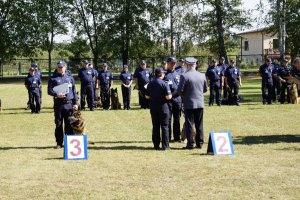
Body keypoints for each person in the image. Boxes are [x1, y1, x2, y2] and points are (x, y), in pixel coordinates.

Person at [174, 57, 207, 149]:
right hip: (200, 103)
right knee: (199, 124)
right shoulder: (202, 75)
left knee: (189, 124)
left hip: (189, 103)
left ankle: (190, 144)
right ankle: (200, 143)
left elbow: (179, 91)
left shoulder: (184, 76)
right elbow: (205, 89)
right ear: (195, 65)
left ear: (187, 65)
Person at [48, 61, 78, 149]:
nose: (60, 68)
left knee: (69, 124)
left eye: (62, 67)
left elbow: (74, 91)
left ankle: (69, 143)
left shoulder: (70, 78)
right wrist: (57, 95)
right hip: (58, 105)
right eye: (59, 67)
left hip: (69, 105)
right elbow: (49, 91)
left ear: (65, 67)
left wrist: (75, 103)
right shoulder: (53, 78)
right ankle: (59, 143)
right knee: (58, 124)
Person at [145, 68, 172, 150]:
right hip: (163, 107)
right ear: (161, 74)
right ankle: (165, 146)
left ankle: (156, 145)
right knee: (165, 126)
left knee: (155, 126)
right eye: (163, 73)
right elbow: (168, 96)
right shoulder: (164, 83)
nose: (164, 74)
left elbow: (147, 96)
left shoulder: (150, 83)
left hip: (153, 107)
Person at [164, 57, 182, 142]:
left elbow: (181, 87)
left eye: (174, 63)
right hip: (168, 101)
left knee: (177, 119)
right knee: (168, 119)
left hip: (177, 100)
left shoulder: (178, 74)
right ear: (168, 63)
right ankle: (167, 137)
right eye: (171, 63)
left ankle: (177, 137)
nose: (173, 65)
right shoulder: (164, 75)